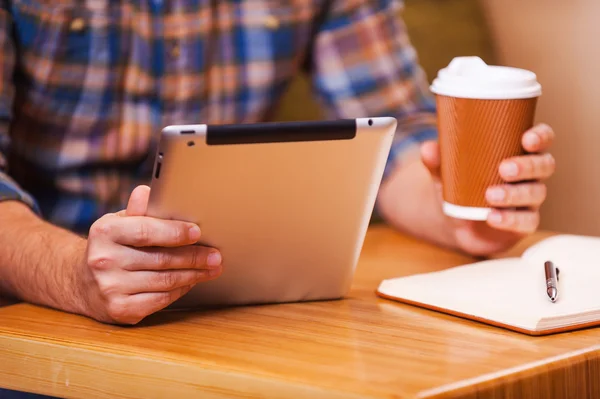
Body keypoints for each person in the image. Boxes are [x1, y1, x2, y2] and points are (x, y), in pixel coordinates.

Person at [0, 0, 555, 326]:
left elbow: (392, 135)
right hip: (41, 304)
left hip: (236, 302)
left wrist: (461, 211)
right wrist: (76, 275)